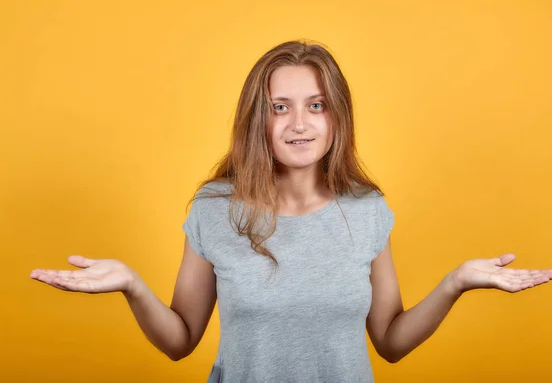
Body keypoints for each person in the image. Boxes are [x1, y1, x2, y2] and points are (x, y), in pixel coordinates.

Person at [30, 40, 552, 383]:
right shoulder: (216, 209)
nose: (300, 123)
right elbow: (180, 341)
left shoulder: (367, 210)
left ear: (336, 116)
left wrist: (455, 283)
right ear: (259, 119)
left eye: (317, 105)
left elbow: (390, 343)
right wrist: (131, 285)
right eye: (281, 107)